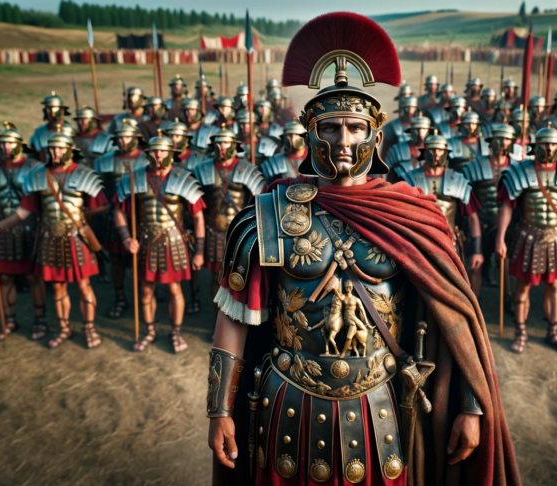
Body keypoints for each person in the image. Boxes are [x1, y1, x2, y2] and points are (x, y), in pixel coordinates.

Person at [207, 13, 520, 486]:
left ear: (375, 132)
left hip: (382, 408)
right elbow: (233, 321)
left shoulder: (415, 214)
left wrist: (471, 407)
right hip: (289, 405)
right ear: (310, 132)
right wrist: (219, 410)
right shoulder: (265, 216)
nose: (344, 141)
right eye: (330, 128)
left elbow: (456, 321)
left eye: (355, 127)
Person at [0, 130, 108, 349]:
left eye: (60, 148)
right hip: (50, 238)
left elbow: (101, 205)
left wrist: (81, 220)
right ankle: (64, 329)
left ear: (69, 149)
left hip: (76, 238)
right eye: (52, 148)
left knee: (83, 285)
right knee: (58, 287)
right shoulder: (38, 175)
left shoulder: (83, 173)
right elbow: (24, 211)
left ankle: (89, 329)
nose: (56, 152)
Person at [114, 130, 206, 353]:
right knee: (146, 290)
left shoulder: (183, 178)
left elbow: (198, 216)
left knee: (175, 289)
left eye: (162, 151)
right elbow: (119, 210)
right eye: (154, 151)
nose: (158, 155)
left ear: (171, 153)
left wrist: (199, 251)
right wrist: (126, 238)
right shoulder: (134, 178)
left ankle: (176, 332)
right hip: (146, 242)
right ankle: (149, 331)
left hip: (173, 242)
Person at [494, 125, 557, 354]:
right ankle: (520, 332)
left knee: (554, 287)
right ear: (536, 146)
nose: (549, 148)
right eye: (544, 144)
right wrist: (500, 238)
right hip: (528, 237)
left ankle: (553, 332)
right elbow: (506, 207)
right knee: (522, 288)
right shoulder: (519, 171)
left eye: (553, 144)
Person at [0, 122, 46, 340]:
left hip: (28, 230)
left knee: (34, 277)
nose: (6, 147)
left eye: (10, 143)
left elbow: (28, 208)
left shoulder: (34, 169)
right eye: (2, 143)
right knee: (4, 277)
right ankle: (9, 320)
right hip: (1, 234)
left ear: (19, 144)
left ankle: (40, 321)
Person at [191, 124, 265, 307]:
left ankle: (238, 324)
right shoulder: (201, 170)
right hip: (214, 232)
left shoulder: (247, 169)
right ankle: (218, 322)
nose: (222, 148)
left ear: (234, 145)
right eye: (218, 144)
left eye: (225, 144)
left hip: (241, 233)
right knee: (217, 279)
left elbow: (260, 205)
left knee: (241, 280)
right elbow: (193, 204)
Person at [93, 119, 149, 319]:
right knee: (116, 259)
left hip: (143, 217)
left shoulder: (147, 159)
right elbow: (97, 188)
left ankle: (145, 298)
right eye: (120, 137)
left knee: (143, 260)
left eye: (127, 137)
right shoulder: (105, 161)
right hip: (114, 215)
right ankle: (120, 297)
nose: (124, 141)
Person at [400, 134, 484, 264]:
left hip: (450, 243)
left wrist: (477, 250)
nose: (436, 154)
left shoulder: (458, 181)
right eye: (431, 150)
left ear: (445, 153)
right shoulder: (408, 179)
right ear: (424, 152)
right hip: (418, 243)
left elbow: (472, 217)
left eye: (439, 150)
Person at [462, 123, 516, 295]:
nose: (503, 143)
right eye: (500, 139)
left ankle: (507, 297)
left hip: (507, 223)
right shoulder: (474, 166)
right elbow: (465, 194)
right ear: (491, 141)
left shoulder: (518, 167)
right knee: (475, 262)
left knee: (504, 260)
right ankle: (473, 301)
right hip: (480, 219)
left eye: (507, 139)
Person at [384, 115, 433, 181]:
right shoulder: (396, 150)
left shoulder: (434, 151)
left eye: (424, 129)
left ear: (428, 131)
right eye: (417, 129)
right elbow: (389, 177)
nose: (420, 132)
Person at [259, 120, 308, 184]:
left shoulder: (314, 159)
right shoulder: (275, 162)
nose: (292, 139)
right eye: (289, 136)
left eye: (296, 135)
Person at [30, 92, 73, 160]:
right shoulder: (39, 133)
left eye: (50, 108)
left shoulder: (71, 132)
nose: (48, 112)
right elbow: (32, 159)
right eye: (47, 109)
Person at [380, 93, 417, 159]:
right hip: (397, 161)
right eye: (407, 108)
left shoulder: (420, 125)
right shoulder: (391, 126)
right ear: (403, 108)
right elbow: (385, 151)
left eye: (412, 108)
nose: (409, 111)